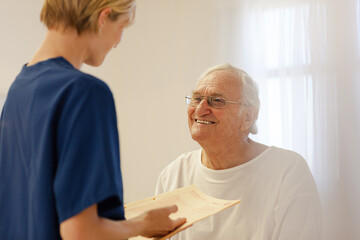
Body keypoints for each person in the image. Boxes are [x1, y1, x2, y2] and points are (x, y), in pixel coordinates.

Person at [0, 0, 186, 239]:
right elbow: (80, 233)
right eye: (122, 27)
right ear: (103, 17)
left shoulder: (18, 90)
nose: (118, 41)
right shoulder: (84, 93)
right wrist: (144, 224)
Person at [155, 63, 322, 240]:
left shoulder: (288, 171)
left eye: (217, 101)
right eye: (197, 99)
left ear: (248, 117)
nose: (200, 109)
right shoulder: (173, 175)